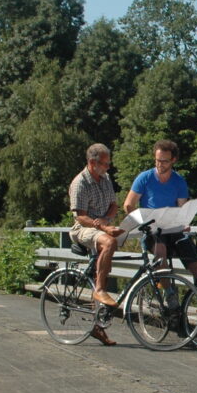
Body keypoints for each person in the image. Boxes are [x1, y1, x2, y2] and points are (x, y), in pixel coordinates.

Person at [122, 139, 197, 281]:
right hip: (152, 229)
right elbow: (128, 204)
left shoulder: (179, 181)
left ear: (173, 160)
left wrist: (184, 223)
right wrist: (142, 222)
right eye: (157, 160)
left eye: (164, 161)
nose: (160, 164)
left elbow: (182, 208)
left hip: (172, 228)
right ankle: (169, 295)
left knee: (195, 262)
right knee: (161, 254)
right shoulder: (144, 178)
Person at [68, 143, 124, 345]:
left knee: (115, 244)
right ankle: (99, 289)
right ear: (92, 163)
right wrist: (102, 226)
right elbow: (81, 216)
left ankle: (97, 327)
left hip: (100, 226)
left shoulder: (106, 179)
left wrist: (107, 221)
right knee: (109, 242)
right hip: (83, 228)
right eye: (105, 164)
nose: (108, 167)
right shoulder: (80, 182)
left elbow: (114, 205)